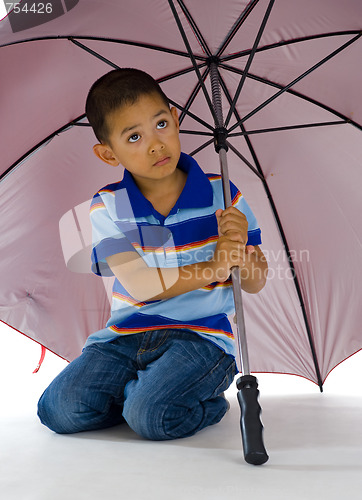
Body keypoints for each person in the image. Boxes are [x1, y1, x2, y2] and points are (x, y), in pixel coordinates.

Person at [37, 68, 268, 440]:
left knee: (152, 419)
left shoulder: (222, 195)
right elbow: (142, 286)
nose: (156, 144)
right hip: (125, 336)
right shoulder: (108, 206)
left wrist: (241, 251)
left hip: (201, 338)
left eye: (161, 124)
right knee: (57, 410)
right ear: (107, 153)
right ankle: (142, 394)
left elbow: (255, 283)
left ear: (176, 119)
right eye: (134, 136)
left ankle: (188, 400)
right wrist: (213, 266)